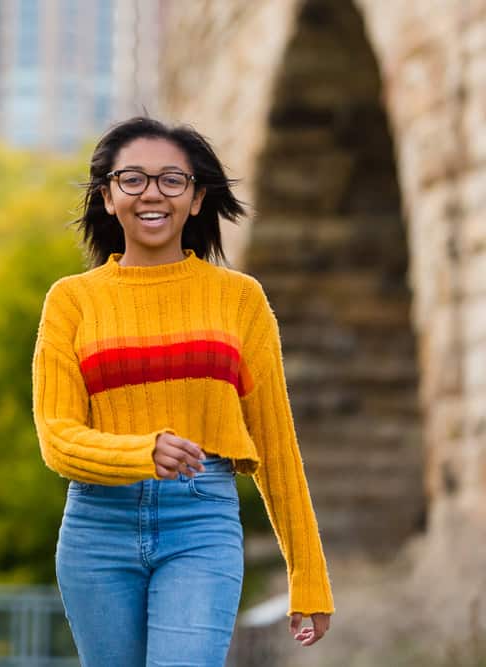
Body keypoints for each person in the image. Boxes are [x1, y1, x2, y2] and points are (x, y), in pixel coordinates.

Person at [31, 116, 334, 666]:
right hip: (97, 527)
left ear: (195, 200)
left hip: (200, 523)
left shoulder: (239, 299)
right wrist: (141, 452)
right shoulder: (71, 301)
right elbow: (56, 437)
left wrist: (307, 575)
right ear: (106, 196)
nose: (153, 193)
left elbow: (277, 444)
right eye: (134, 180)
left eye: (173, 180)